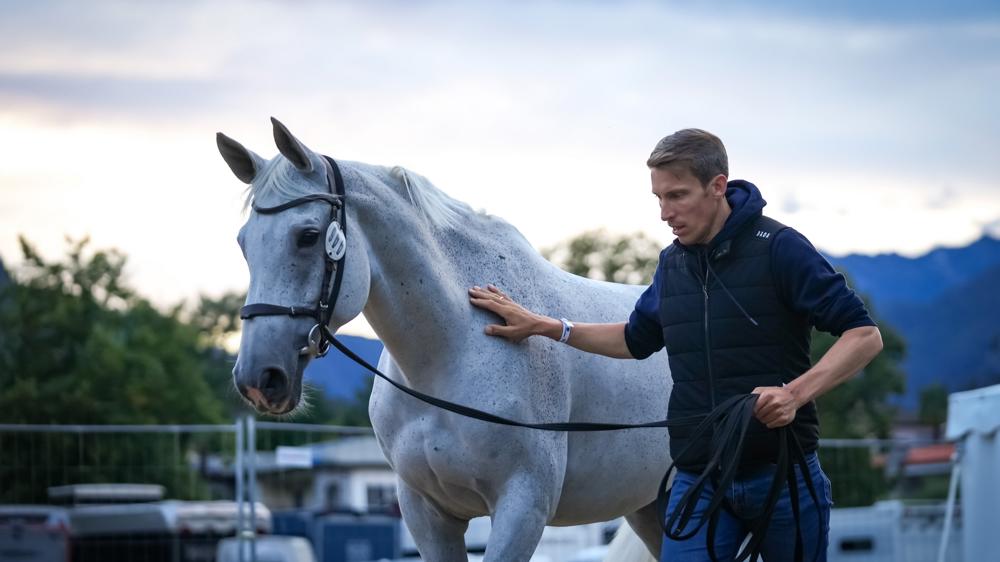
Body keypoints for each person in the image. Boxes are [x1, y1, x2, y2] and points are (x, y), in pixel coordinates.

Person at [468, 128, 883, 562]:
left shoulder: (781, 248)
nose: (665, 213)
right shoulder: (672, 263)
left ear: (717, 186)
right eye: (659, 198)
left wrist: (795, 394)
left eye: (677, 196)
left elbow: (863, 335)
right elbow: (634, 339)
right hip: (697, 477)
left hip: (783, 475)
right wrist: (546, 326)